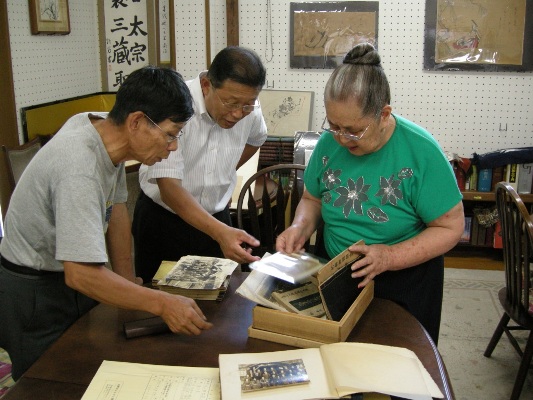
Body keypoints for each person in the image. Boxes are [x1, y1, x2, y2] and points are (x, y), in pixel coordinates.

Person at [0, 66, 213, 381]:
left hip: (69, 274)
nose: (173, 147)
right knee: (46, 381)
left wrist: (127, 283)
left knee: (89, 365)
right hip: (36, 289)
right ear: (137, 121)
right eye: (170, 134)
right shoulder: (78, 168)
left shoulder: (101, 128)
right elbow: (82, 274)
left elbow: (115, 209)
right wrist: (163, 303)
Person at [276, 43, 464, 344]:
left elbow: (451, 227)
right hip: (337, 271)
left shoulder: (421, 151)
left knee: (401, 368)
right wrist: (299, 227)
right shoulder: (331, 143)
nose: (340, 138)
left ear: (384, 114)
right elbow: (312, 199)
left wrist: (389, 256)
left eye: (352, 130)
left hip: (404, 278)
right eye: (333, 125)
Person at [132, 46, 267, 283]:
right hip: (165, 220)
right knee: (160, 303)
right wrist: (219, 232)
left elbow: (256, 139)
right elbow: (169, 187)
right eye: (230, 103)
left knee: (219, 303)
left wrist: (223, 172)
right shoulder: (176, 104)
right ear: (206, 85)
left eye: (247, 105)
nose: (238, 114)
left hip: (217, 217)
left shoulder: (250, 109)